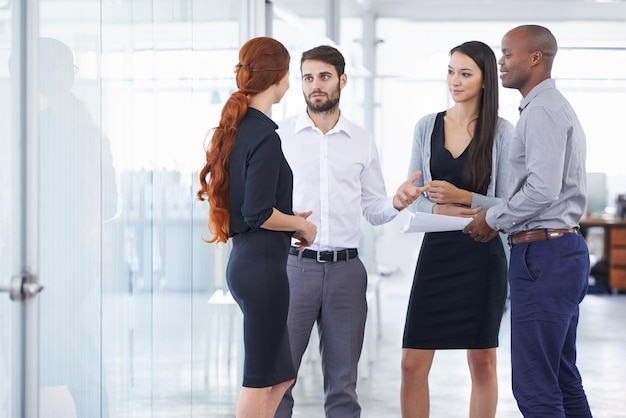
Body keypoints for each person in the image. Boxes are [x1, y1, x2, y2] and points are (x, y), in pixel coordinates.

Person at [274, 45, 427, 418]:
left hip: (346, 272)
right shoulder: (281, 136)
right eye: (308, 78)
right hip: (295, 268)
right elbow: (264, 206)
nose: (315, 86)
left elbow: (373, 210)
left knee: (343, 385)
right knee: (279, 382)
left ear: (342, 80)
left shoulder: (361, 140)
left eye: (324, 77)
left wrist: (396, 201)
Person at [464, 25, 593, 417]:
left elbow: (542, 190)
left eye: (507, 54)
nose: (500, 62)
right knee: (560, 376)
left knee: (535, 385)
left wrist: (493, 218)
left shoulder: (542, 111)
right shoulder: (545, 108)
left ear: (535, 58)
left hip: (543, 255)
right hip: (555, 252)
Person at [197, 37, 317, 418]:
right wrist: (299, 223)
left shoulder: (239, 130)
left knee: (280, 378)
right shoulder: (264, 135)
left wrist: (288, 219)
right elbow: (259, 213)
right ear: (280, 77)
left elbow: (254, 206)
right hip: (262, 269)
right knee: (261, 380)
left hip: (251, 262)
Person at [400, 41, 514, 418]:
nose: (455, 81)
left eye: (465, 73)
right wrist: (436, 206)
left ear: (484, 81)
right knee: (411, 364)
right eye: (451, 71)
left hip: (482, 255)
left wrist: (464, 197)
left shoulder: (501, 132)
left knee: (482, 363)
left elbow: (511, 205)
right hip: (436, 255)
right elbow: (416, 197)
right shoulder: (426, 126)